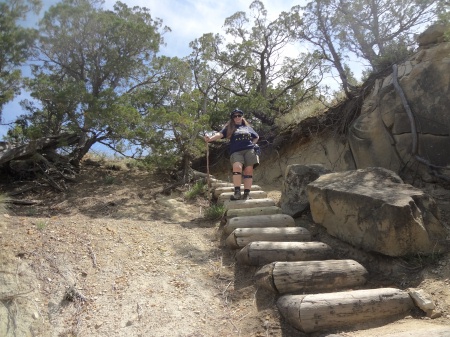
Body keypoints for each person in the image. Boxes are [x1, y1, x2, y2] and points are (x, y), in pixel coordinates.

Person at [204, 108, 259, 200]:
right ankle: (237, 192)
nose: (237, 117)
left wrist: (253, 144)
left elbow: (256, 136)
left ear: (242, 117)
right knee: (237, 167)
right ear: (233, 118)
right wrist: (210, 139)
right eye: (235, 116)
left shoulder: (247, 128)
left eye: (239, 115)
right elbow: (219, 135)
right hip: (236, 151)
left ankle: (247, 194)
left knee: (248, 171)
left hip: (249, 150)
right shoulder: (229, 128)